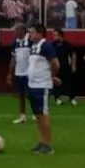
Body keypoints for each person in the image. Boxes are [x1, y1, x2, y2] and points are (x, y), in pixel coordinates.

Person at [25, 25, 59, 155]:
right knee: (38, 115)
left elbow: (55, 63)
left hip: (42, 85)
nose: (30, 35)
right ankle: (42, 141)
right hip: (33, 84)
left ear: (40, 34)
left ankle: (48, 144)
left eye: (32, 33)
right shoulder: (33, 47)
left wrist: (52, 77)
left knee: (44, 114)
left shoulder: (46, 47)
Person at [5, 25, 31, 124]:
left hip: (30, 73)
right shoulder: (15, 43)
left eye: (17, 30)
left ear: (23, 30)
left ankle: (38, 113)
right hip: (19, 72)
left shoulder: (31, 40)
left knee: (32, 94)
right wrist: (10, 73)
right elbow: (13, 59)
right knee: (21, 95)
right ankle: (22, 116)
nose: (15, 32)